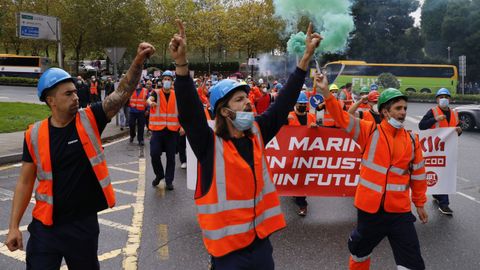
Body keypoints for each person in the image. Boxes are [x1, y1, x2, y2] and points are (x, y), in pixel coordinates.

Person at [171, 19, 321, 269]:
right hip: (228, 255)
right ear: (223, 111)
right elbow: (189, 112)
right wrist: (181, 65)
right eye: (240, 99)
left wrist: (304, 59)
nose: (248, 103)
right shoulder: (209, 145)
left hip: (261, 246)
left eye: (248, 97)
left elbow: (284, 102)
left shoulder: (257, 132)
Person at [4, 43, 155, 269]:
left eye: (75, 91)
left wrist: (138, 61)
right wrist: (14, 226)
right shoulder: (34, 134)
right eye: (68, 93)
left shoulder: (90, 118)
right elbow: (25, 182)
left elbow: (121, 93)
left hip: (82, 227)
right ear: (51, 101)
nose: (75, 96)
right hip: (46, 227)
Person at [316, 73, 428, 270]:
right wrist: (326, 92)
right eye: (398, 108)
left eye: (405, 109)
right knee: (359, 254)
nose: (402, 113)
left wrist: (419, 204)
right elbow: (341, 118)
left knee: (413, 262)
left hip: (399, 213)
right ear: (385, 112)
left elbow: (418, 176)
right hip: (370, 211)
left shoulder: (412, 140)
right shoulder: (369, 131)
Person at [418, 88, 462, 216]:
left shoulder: (454, 113)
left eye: (446, 97)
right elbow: (422, 126)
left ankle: (438, 195)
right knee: (439, 172)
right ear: (437, 99)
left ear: (450, 99)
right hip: (434, 149)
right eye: (441, 97)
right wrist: (435, 119)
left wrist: (459, 131)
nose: (444, 99)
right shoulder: (433, 112)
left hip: (448, 150)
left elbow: (456, 130)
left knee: (446, 174)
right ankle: (444, 204)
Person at [148, 70, 180, 190]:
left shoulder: (176, 95)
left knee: (171, 158)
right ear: (162, 81)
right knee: (154, 154)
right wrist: (150, 103)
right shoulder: (156, 92)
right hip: (158, 130)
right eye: (165, 79)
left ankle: (169, 180)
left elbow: (181, 112)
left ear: (172, 81)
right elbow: (149, 99)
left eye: (169, 79)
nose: (167, 81)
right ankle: (159, 174)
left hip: (172, 131)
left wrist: (182, 127)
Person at [287, 91, 317, 216]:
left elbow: (318, 135)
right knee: (293, 176)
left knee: (302, 178)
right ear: (295, 104)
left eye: (304, 104)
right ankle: (295, 192)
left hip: (306, 153)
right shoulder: (289, 116)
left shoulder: (311, 117)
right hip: (291, 153)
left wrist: (316, 128)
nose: (303, 106)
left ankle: (302, 204)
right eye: (300, 104)